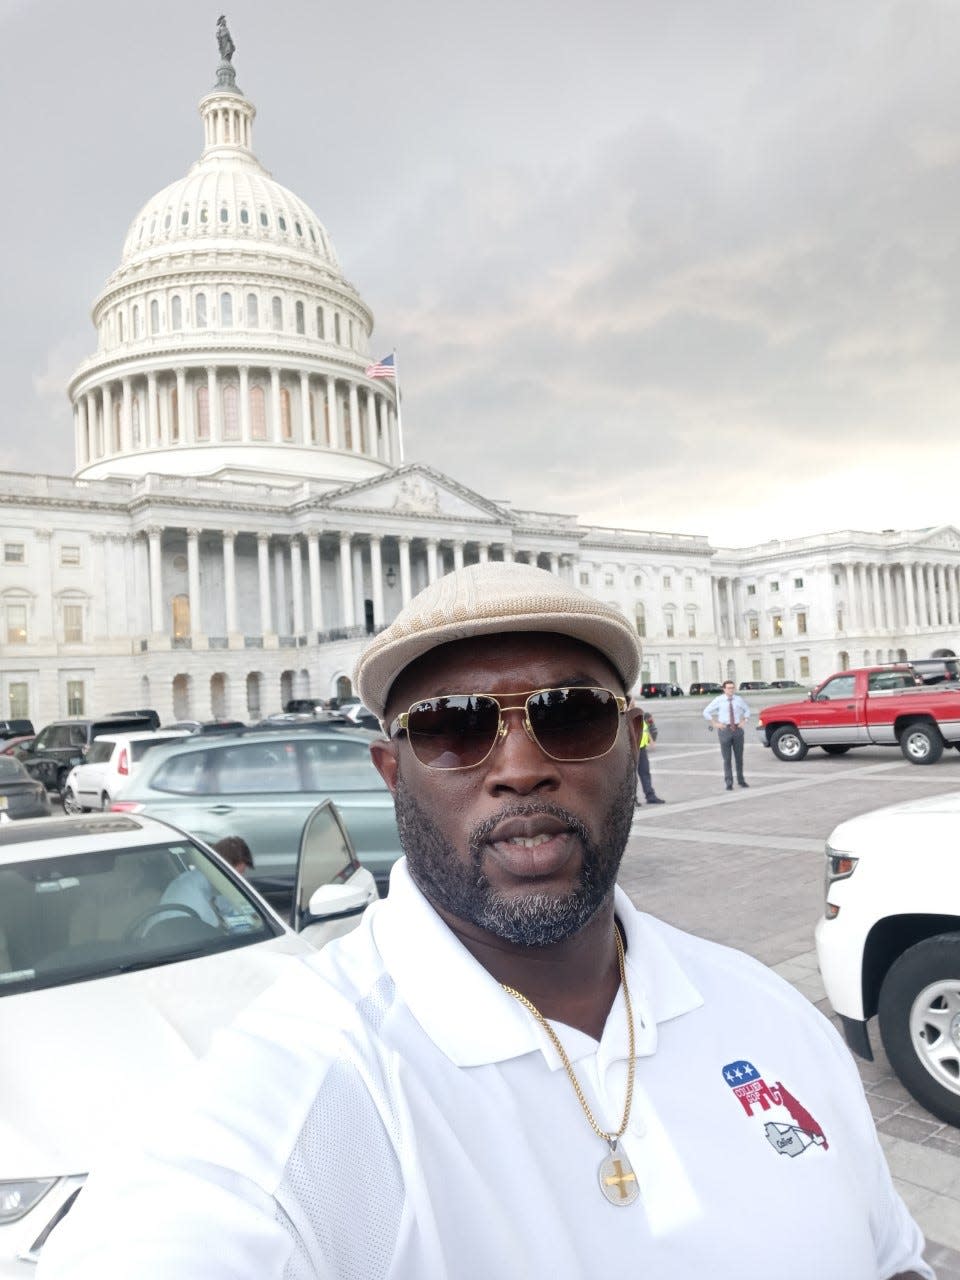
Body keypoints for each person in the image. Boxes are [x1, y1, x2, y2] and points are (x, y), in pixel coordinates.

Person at [38, 562, 931, 1279]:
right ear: (393, 774)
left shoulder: (769, 1012)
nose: (519, 766)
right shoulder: (299, 1088)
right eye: (455, 729)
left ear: (632, 743)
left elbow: (891, 1258)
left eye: (572, 715)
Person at [703, 679, 751, 790]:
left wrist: (745, 720)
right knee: (727, 758)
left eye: (732, 688)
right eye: (729, 688)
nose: (731, 690)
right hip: (725, 730)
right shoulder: (719, 700)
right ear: (724, 689)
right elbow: (706, 711)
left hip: (737, 730)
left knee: (739, 757)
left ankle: (741, 780)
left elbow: (747, 710)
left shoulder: (738, 699)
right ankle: (729, 782)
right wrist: (714, 723)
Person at [635, 708, 665, 805]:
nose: (633, 702)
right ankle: (632, 799)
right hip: (631, 750)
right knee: (631, 776)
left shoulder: (638, 713)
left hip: (642, 748)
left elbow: (645, 729)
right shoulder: (625, 714)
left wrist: (651, 739)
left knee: (645, 772)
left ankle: (650, 796)